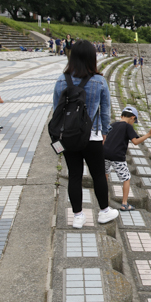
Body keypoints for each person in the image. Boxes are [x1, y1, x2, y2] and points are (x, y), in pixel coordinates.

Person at [52, 40, 118, 228]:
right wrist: (104, 131)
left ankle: (78, 217)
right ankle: (104, 212)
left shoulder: (61, 80)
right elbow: (105, 110)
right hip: (92, 135)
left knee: (74, 175)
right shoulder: (98, 81)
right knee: (98, 174)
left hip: (68, 137)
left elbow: (56, 110)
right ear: (92, 57)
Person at [104, 106, 151, 211]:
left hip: (104, 153)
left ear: (122, 115)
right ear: (132, 117)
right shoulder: (127, 127)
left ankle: (104, 201)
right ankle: (124, 204)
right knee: (126, 178)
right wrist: (149, 134)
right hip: (117, 156)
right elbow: (135, 141)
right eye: (134, 121)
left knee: (105, 175)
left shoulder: (112, 125)